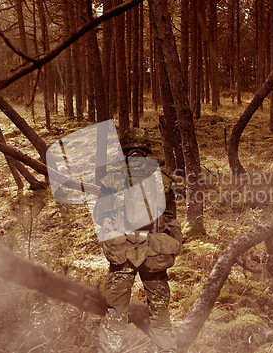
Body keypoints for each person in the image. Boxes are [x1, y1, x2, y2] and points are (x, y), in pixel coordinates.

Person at [94, 128, 182, 353]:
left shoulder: (112, 178)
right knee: (160, 307)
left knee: (116, 309)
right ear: (146, 149)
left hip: (121, 251)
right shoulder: (163, 179)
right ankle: (166, 348)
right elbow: (170, 217)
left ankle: (110, 349)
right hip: (154, 250)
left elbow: (99, 215)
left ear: (125, 149)